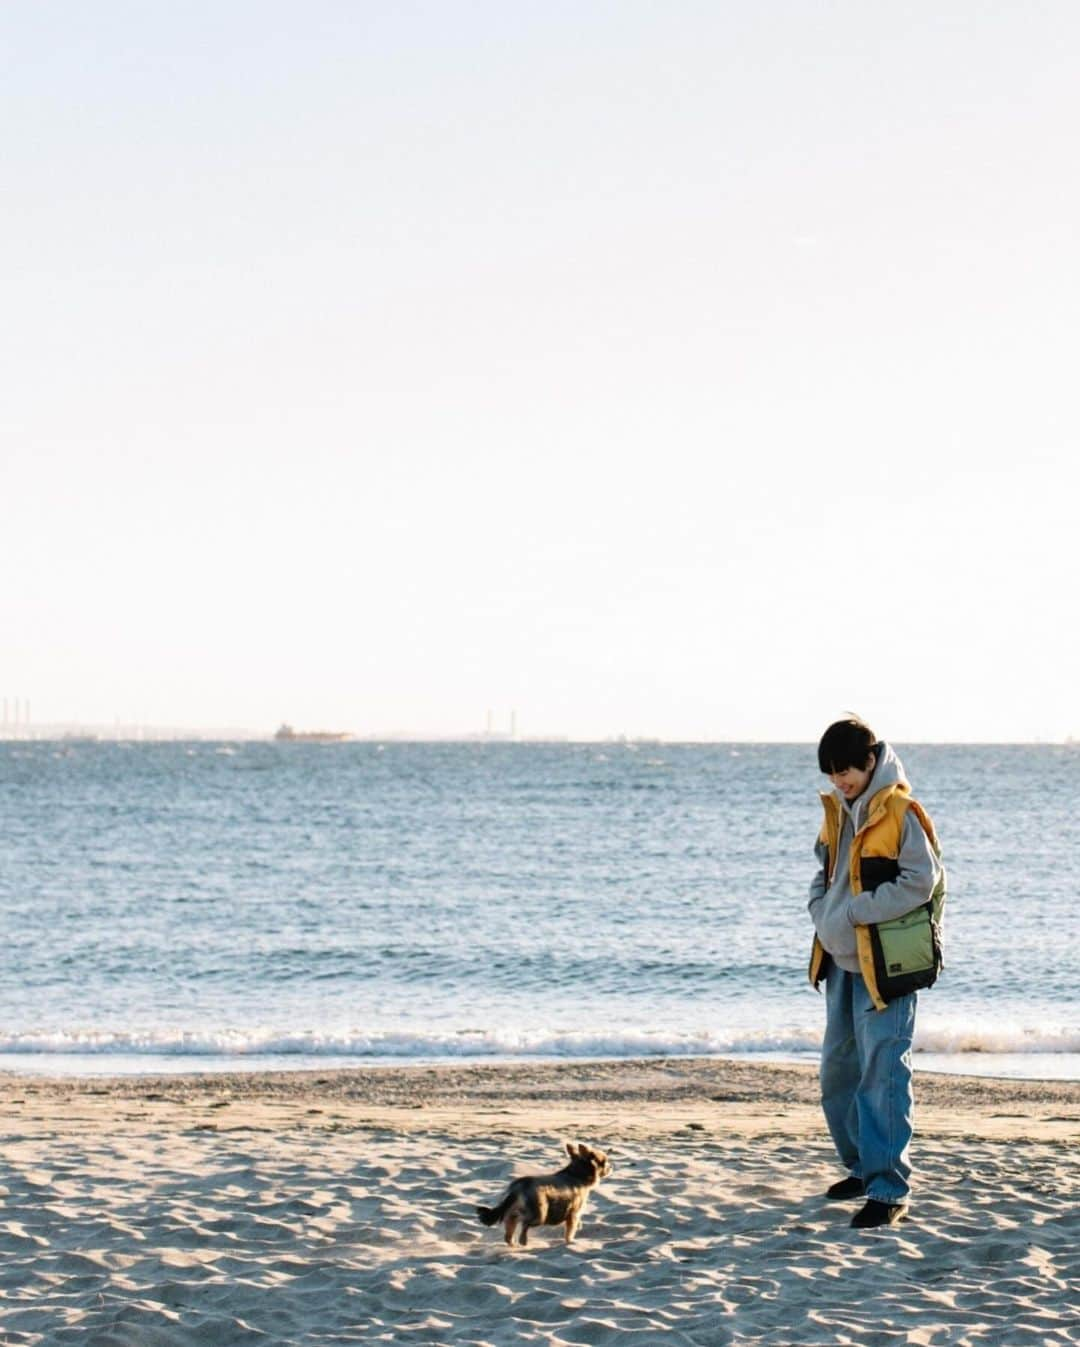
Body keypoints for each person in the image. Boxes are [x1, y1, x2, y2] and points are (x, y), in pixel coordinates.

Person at [808, 716, 945, 1229]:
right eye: (830, 773)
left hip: (886, 968)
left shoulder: (901, 811)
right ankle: (864, 1169)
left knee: (883, 1075)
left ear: (870, 761)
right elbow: (823, 873)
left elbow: (921, 881)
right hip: (840, 962)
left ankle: (889, 1190)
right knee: (837, 1075)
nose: (838, 780)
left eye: (844, 770)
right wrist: (821, 911)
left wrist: (854, 911)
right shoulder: (835, 812)